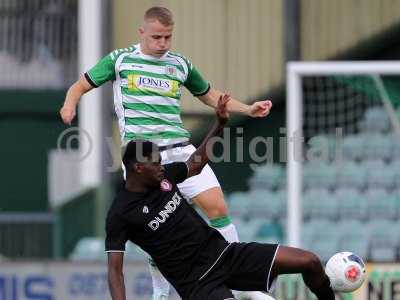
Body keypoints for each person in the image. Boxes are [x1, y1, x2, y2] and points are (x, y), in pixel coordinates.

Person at [60, 6, 272, 299]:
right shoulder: (120, 60)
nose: (163, 44)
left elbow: (210, 96)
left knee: (218, 208)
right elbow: (80, 85)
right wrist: (69, 105)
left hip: (180, 149)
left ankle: (239, 281)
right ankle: (160, 292)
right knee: (158, 229)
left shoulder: (180, 63)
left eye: (168, 37)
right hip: (145, 160)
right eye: (157, 37)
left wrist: (248, 109)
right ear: (142, 32)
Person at [106, 94, 335, 300]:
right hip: (198, 284)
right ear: (137, 167)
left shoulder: (166, 177)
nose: (161, 166)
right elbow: (115, 271)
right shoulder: (121, 213)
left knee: (310, 262)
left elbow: (197, 161)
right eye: (155, 163)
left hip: (225, 254)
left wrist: (221, 123)